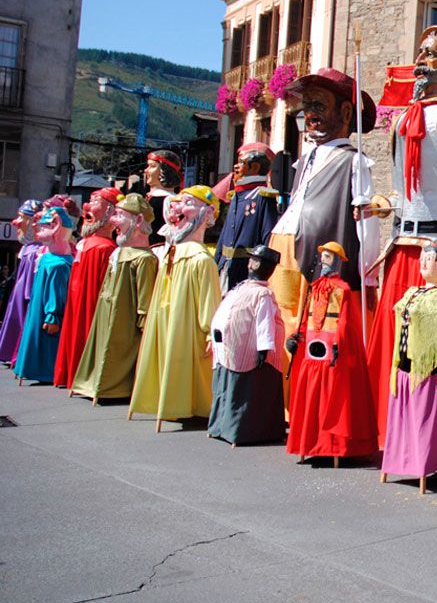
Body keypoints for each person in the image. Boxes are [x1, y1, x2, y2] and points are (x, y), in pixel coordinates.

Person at [367, 25, 437, 447]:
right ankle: (387, 431)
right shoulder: (403, 118)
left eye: (431, 55)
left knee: (428, 350)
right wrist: (381, 204)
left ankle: (426, 440)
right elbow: (403, 187)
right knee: (394, 348)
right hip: (402, 244)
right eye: (420, 53)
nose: (420, 62)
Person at [268, 67, 380, 338]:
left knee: (312, 334)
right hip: (285, 259)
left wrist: (365, 276)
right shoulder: (305, 160)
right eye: (307, 106)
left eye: (319, 105)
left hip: (321, 267)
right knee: (280, 327)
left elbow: (368, 228)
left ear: (344, 113)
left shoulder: (354, 163)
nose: (310, 114)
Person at [128, 186, 222, 431]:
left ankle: (181, 402)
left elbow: (207, 305)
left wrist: (209, 329)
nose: (177, 207)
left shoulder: (198, 259)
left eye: (188, 202)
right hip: (174, 320)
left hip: (181, 323)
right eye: (178, 201)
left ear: (209, 213)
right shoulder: (180, 254)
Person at [381, 246, 437, 492]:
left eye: (428, 259)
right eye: (422, 259)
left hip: (431, 372)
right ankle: (400, 460)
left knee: (425, 423)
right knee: (404, 422)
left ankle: (427, 463)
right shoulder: (412, 293)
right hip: (406, 366)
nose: (422, 263)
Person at [286, 241, 378, 463]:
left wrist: (339, 344)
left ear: (336, 261)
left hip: (331, 350)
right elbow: (307, 315)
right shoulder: (315, 287)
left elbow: (346, 322)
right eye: (323, 257)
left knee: (332, 397)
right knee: (311, 395)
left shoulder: (342, 290)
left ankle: (334, 446)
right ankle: (309, 442)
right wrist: (297, 335)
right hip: (312, 348)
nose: (323, 261)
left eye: (328, 257)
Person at [71, 194, 160, 404]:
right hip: (107, 315)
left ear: (138, 221)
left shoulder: (144, 259)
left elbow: (145, 299)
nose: (113, 221)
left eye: (120, 215)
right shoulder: (118, 254)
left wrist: (143, 322)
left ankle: (115, 387)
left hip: (125, 323)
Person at [208, 245, 287, 446]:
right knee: (225, 387)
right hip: (230, 347)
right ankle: (220, 426)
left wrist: (264, 347)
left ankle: (240, 430)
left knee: (244, 392)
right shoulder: (243, 287)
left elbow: (264, 322)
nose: (250, 263)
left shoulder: (263, 295)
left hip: (247, 351)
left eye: (253, 259)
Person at [56, 187, 121, 390]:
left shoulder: (104, 248)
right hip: (78, 298)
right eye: (89, 201)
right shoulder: (93, 245)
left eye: (95, 202)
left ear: (111, 213)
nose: (87, 206)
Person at [14, 207, 75, 385]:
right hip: (38, 307)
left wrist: (52, 315)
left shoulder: (58, 264)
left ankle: (46, 371)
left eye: (45, 226)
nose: (39, 229)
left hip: (46, 312)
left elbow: (56, 292)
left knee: (47, 342)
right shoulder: (49, 259)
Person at [215, 142, 282, 292]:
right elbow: (225, 233)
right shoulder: (236, 195)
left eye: (242, 163)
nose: (236, 167)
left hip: (245, 267)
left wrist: (260, 270)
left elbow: (267, 237)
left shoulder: (263, 197)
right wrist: (217, 260)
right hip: (226, 265)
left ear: (255, 168)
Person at [0, 200, 44, 365]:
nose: (16, 222)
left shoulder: (35, 252)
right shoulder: (29, 249)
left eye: (22, 217)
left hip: (25, 294)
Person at [143, 150, 183, 247]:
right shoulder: (149, 197)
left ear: (165, 170)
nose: (146, 170)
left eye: (152, 166)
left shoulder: (170, 200)